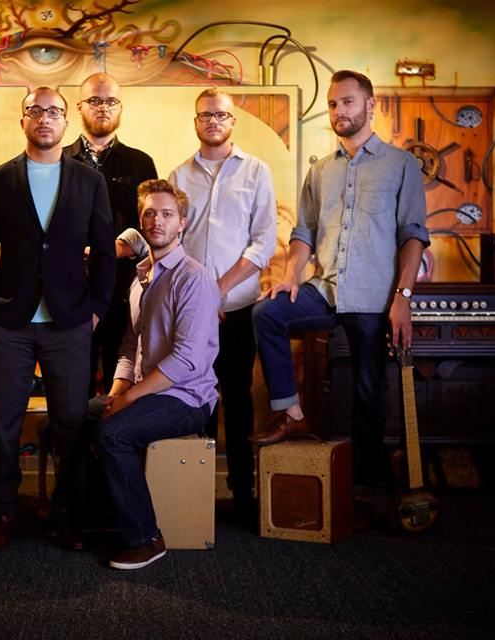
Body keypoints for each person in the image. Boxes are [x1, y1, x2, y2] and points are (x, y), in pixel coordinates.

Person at [252, 70, 429, 492]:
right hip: (325, 290)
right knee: (266, 314)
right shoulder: (320, 172)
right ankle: (291, 413)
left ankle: (363, 489)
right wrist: (291, 276)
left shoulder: (401, 165)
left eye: (347, 102)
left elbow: (413, 235)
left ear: (370, 105)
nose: (338, 111)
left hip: (374, 298)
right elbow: (303, 233)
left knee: (368, 395)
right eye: (333, 104)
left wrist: (402, 297)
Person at [0, 87, 116, 551]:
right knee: (3, 422)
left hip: (69, 321)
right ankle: (1, 513)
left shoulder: (89, 181)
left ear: (66, 121)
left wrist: (96, 309)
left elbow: (106, 250)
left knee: (71, 424)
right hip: (9, 322)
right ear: (23, 121)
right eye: (35, 110)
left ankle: (69, 515)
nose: (45, 118)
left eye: (54, 111)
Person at [93, 179, 219, 570]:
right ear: (140, 220)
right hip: (148, 391)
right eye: (149, 213)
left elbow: (186, 361)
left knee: (114, 434)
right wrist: (116, 393)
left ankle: (146, 539)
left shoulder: (193, 278)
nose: (157, 221)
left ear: (182, 223)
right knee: (76, 416)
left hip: (187, 398)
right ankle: (94, 515)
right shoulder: (140, 279)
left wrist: (128, 400)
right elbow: (130, 346)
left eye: (166, 214)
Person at [167, 88, 277, 518]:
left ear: (233, 121)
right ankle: (196, 495)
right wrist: (197, 294)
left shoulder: (256, 171)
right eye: (205, 115)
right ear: (195, 122)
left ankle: (242, 491)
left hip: (238, 307)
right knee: (196, 397)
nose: (212, 120)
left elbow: (263, 242)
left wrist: (218, 289)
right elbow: (172, 242)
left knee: (237, 395)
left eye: (221, 115)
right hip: (191, 311)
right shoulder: (178, 175)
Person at [64, 72, 158, 395]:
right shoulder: (60, 160)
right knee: (73, 385)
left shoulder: (140, 163)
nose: (103, 107)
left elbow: (151, 228)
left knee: (123, 382)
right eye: (94, 100)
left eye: (111, 101)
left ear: (120, 107)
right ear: (79, 106)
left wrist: (110, 250)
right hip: (71, 290)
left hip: (124, 290)